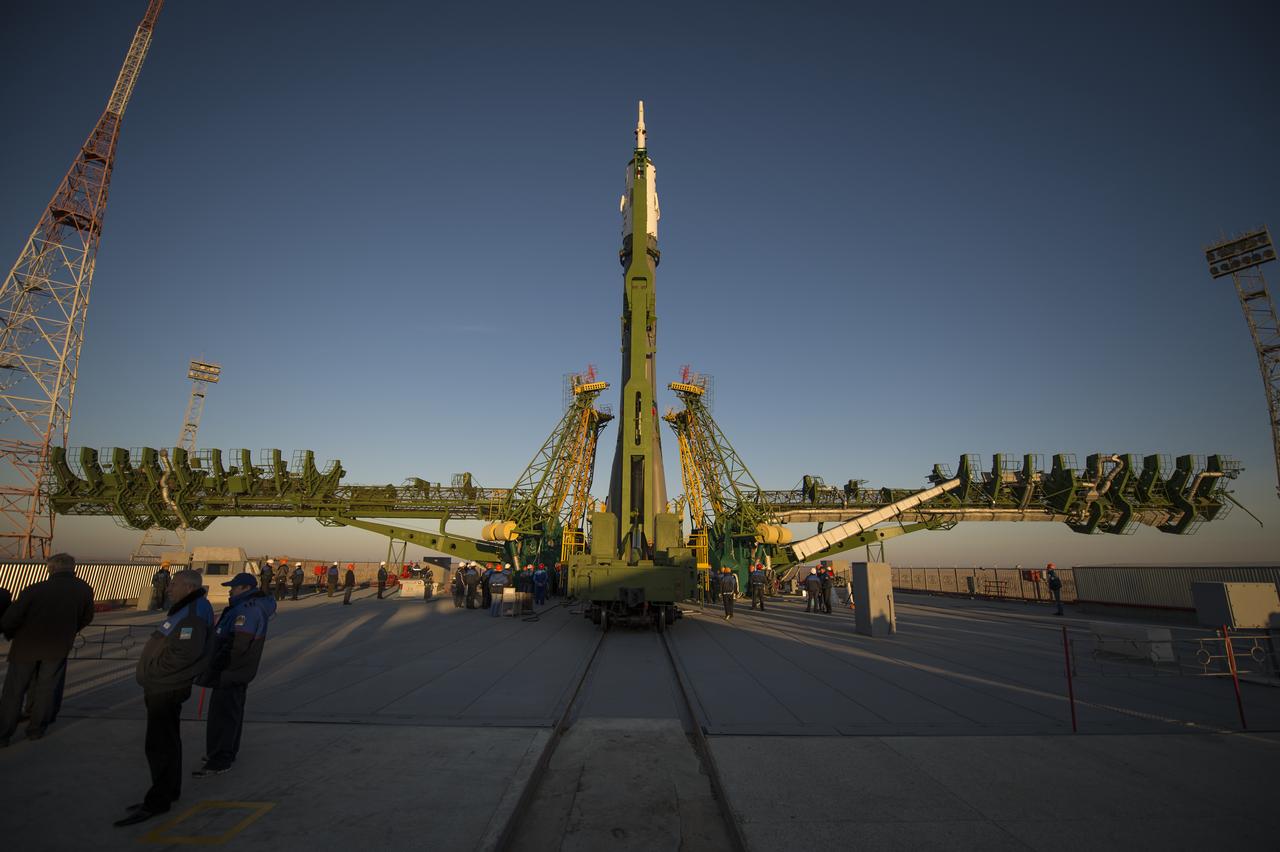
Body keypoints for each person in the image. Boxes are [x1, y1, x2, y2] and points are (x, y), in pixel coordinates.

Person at [114, 570, 213, 827]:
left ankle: (158, 801)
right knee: (168, 741)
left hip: (166, 686)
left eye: (174, 584)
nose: (169, 589)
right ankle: (169, 791)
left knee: (160, 745)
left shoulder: (192, 615)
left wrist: (154, 671)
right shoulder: (191, 608)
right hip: (166, 684)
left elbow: (184, 654)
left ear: (189, 587)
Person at [0, 553, 94, 746]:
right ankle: (36, 729)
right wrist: (70, 630)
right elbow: (86, 617)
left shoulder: (34, 589)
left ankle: (3, 734)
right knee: (46, 689)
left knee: (14, 691)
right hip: (57, 647)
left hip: (26, 647)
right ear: (72, 567)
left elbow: (11, 618)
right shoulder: (84, 590)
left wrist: (10, 633)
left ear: (51, 569)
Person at [193, 572, 276, 777]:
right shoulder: (243, 606)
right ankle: (221, 751)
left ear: (246, 588)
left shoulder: (248, 610)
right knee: (227, 712)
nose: (231, 590)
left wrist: (217, 665)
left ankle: (221, 758)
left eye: (234, 587)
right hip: (230, 670)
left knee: (225, 714)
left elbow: (238, 645)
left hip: (230, 671)